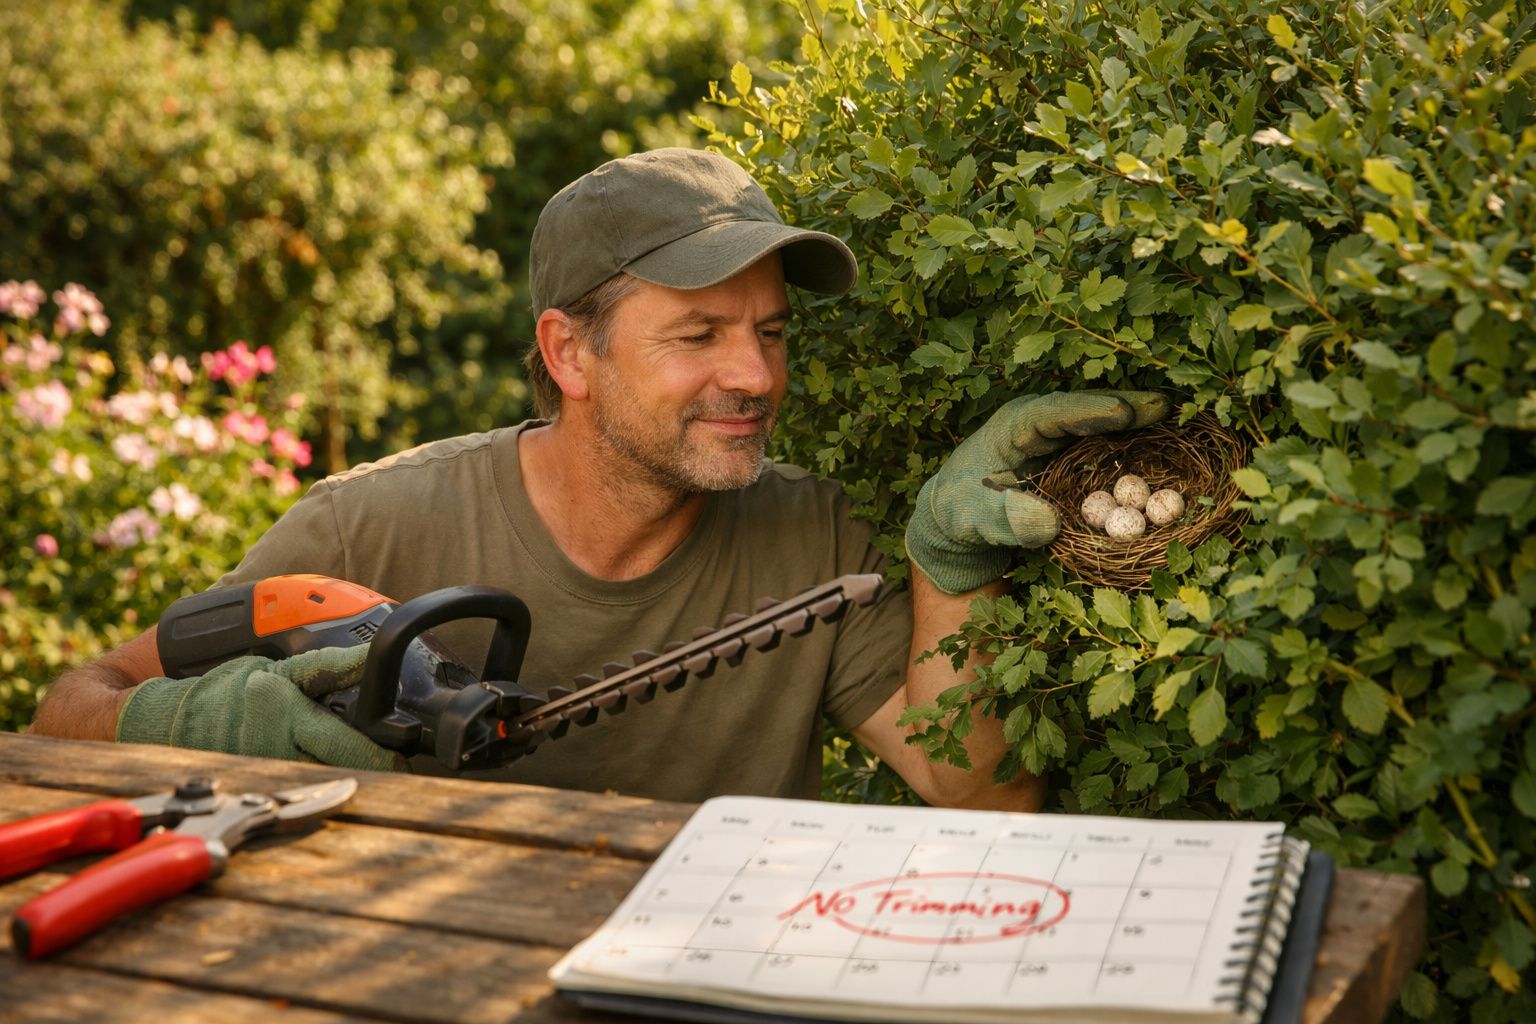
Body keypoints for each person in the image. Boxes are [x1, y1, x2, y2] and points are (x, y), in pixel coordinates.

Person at [29, 148, 1165, 809]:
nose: (754, 374)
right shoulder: (371, 522)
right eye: (699, 335)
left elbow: (982, 796)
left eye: (772, 333)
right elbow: (61, 711)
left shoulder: (816, 534)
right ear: (569, 352)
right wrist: (195, 719)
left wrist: (946, 568)